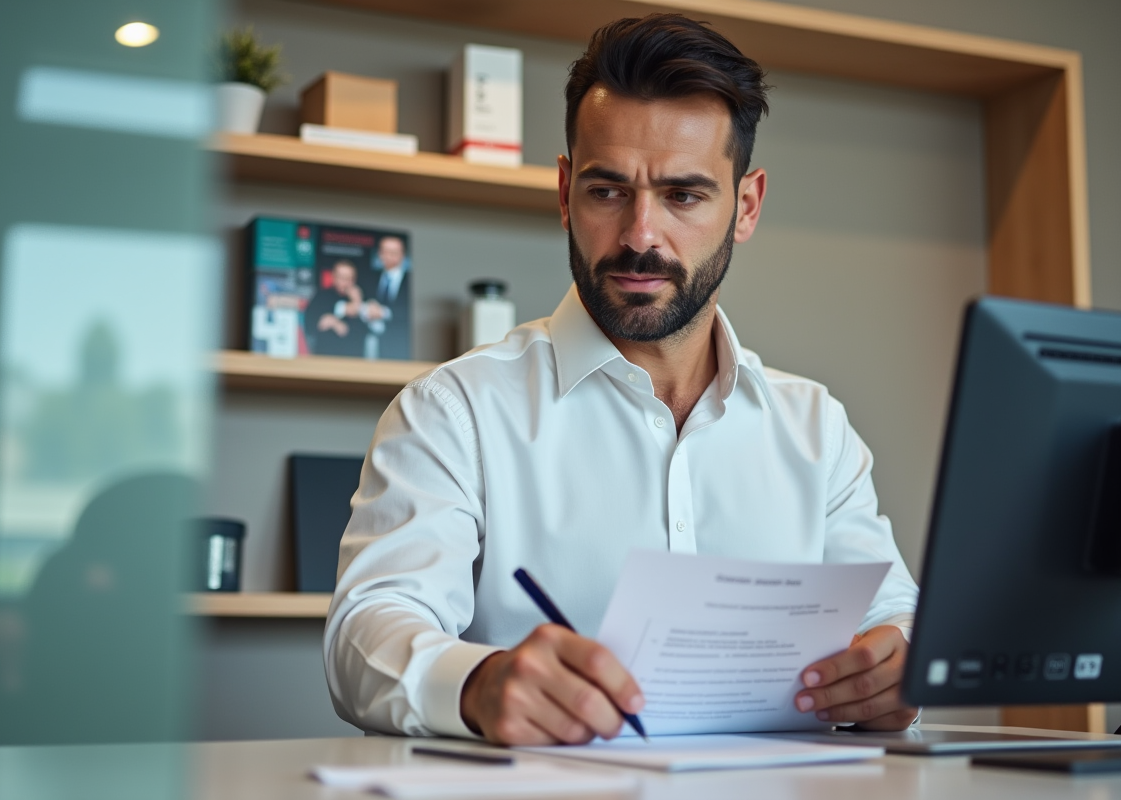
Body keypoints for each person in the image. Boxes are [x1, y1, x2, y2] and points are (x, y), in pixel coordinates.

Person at [323, 13, 920, 744]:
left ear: (747, 206)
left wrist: (897, 668)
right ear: (566, 190)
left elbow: (894, 617)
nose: (641, 235)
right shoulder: (454, 412)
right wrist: (478, 684)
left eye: (683, 196)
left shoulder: (816, 430)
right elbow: (367, 630)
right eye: (609, 192)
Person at [303, 259, 366, 358]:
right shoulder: (321, 296)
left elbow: (363, 330)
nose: (345, 283)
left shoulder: (361, 298)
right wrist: (331, 322)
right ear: (333, 277)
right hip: (324, 357)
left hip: (353, 359)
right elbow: (310, 324)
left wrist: (357, 302)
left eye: (349, 278)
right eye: (341, 277)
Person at [363, 235, 412, 360]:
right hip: (373, 346)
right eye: (385, 252)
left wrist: (383, 313)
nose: (389, 256)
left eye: (394, 252)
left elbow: (411, 311)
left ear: (402, 254)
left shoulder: (411, 281)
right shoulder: (370, 278)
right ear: (379, 254)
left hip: (400, 348)